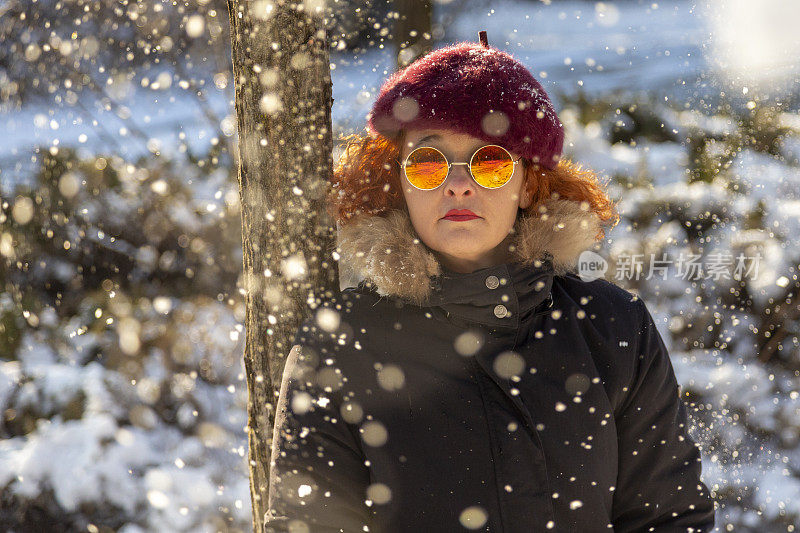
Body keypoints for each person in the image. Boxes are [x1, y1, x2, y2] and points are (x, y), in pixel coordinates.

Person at [264, 32, 716, 533]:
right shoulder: (341, 345)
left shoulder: (613, 329)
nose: (459, 182)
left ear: (529, 184)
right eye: (429, 163)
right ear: (398, 184)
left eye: (491, 162)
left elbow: (669, 519)